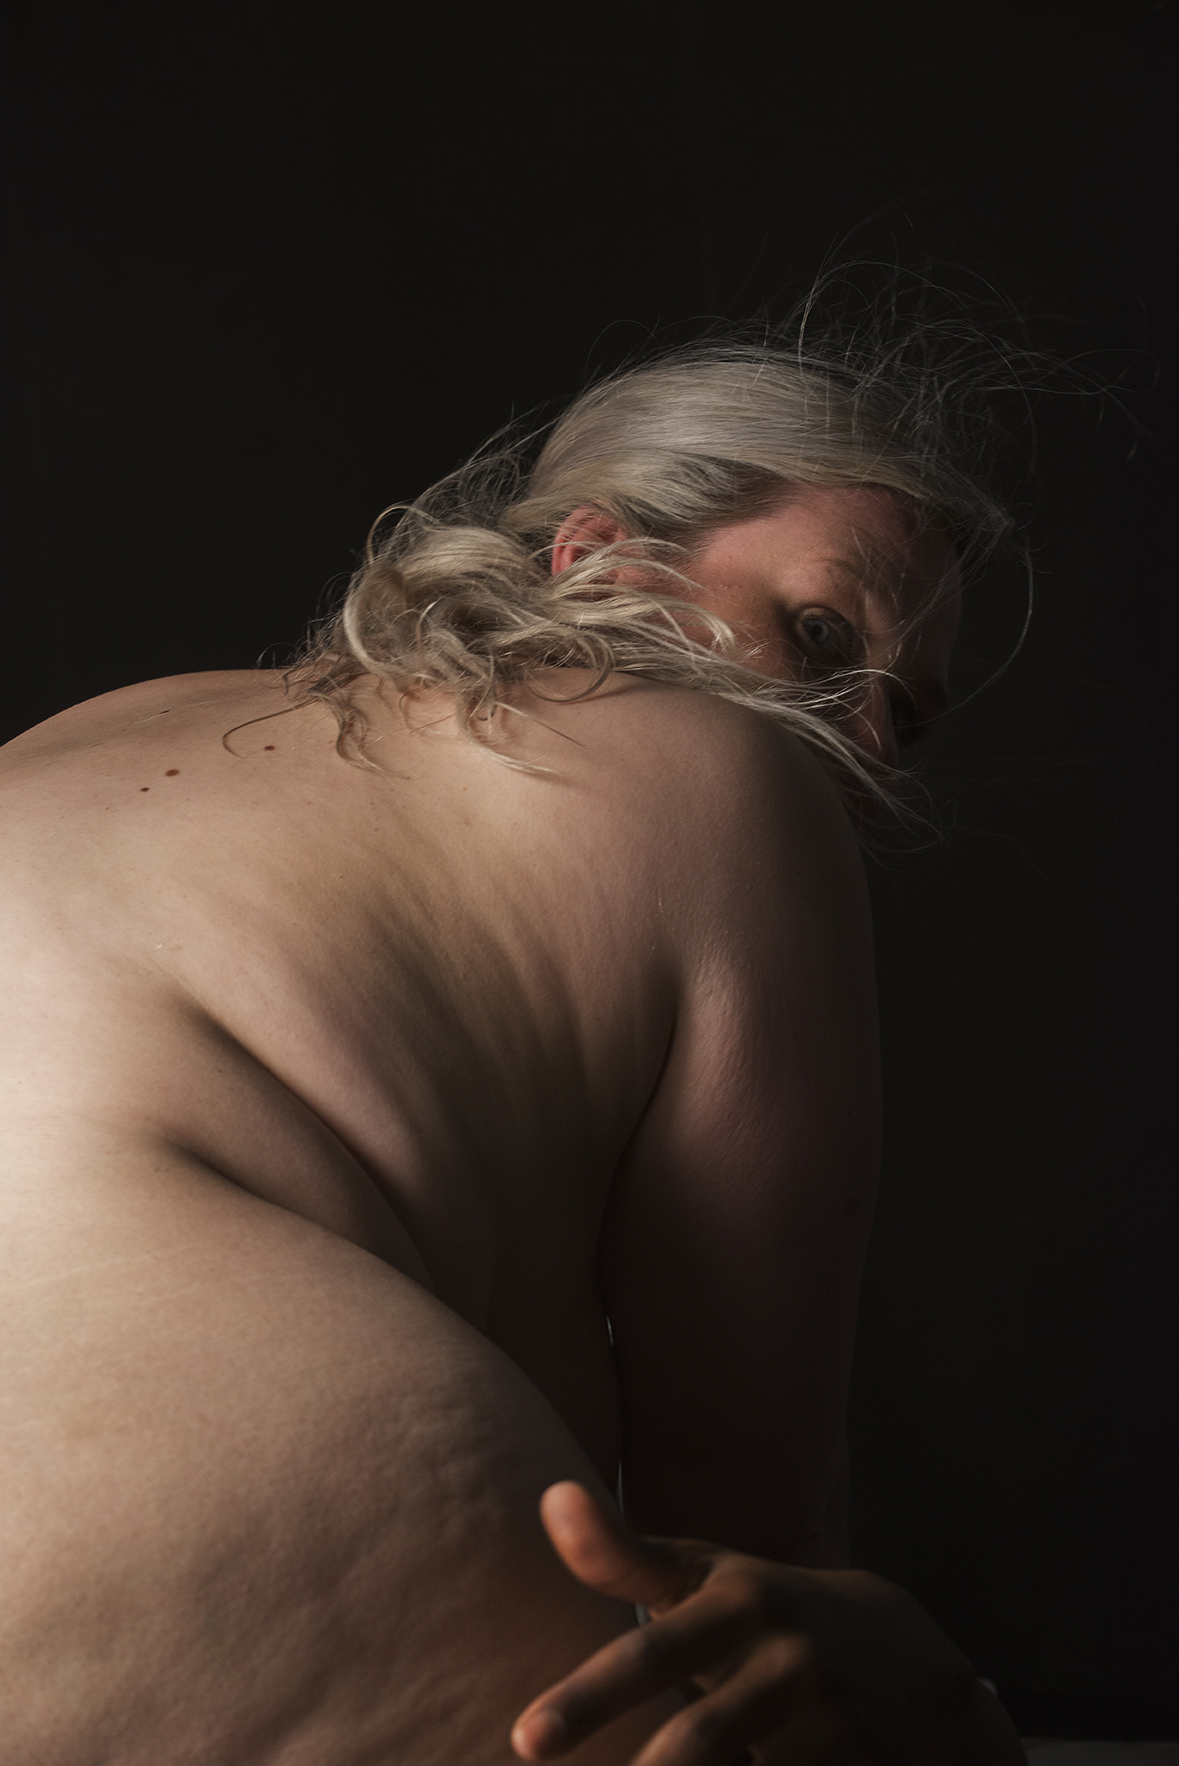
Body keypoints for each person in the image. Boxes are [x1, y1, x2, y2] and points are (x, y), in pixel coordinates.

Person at [0, 334, 1026, 1764]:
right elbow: (746, 1552)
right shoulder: (732, 774)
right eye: (818, 633)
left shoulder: (108, 726)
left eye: (903, 713)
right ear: (599, 561)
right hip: (167, 1484)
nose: (858, 735)